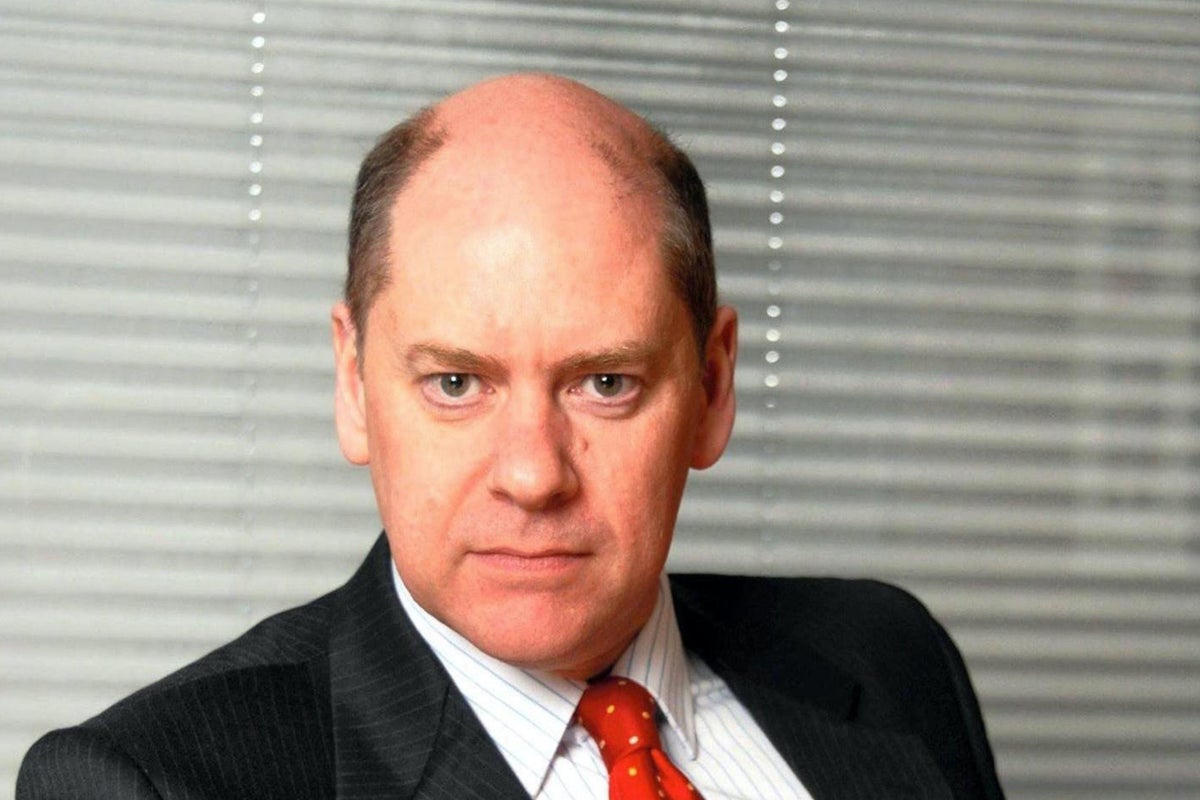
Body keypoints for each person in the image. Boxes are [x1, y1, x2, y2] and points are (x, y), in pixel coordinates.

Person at [18, 73, 1005, 800]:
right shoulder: (151, 781)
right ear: (354, 385)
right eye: (455, 383)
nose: (534, 474)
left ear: (712, 386)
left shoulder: (887, 657)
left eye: (606, 383)